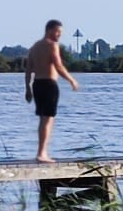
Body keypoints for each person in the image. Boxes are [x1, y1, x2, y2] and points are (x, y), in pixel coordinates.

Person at [23, 19, 81, 162]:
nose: (59, 35)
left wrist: (28, 88)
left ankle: (41, 152)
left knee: (43, 119)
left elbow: (28, 69)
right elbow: (58, 66)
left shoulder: (34, 47)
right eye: (57, 32)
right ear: (49, 30)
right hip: (49, 84)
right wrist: (71, 80)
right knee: (48, 119)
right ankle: (42, 153)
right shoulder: (52, 45)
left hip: (37, 84)